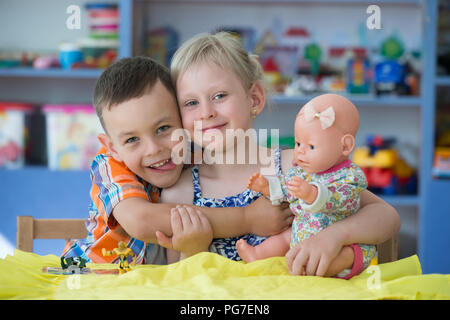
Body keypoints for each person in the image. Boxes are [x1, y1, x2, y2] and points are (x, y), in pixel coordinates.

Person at [159, 32, 400, 276]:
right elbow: (175, 285)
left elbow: (386, 216)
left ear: (254, 99)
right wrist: (191, 251)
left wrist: (334, 236)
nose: (206, 113)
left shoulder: (295, 166)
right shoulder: (180, 193)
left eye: (219, 96)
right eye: (191, 103)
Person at [61, 56, 294, 265]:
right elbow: (141, 221)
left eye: (163, 128)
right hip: (93, 274)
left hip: (154, 281)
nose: (154, 149)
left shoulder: (194, 155)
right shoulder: (109, 164)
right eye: (132, 139)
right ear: (114, 147)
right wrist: (248, 218)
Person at [237, 93, 376, 279]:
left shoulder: (350, 176)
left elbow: (341, 199)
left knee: (345, 255)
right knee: (283, 238)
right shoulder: (300, 172)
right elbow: (288, 191)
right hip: (301, 232)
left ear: (345, 146)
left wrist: (313, 194)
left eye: (310, 146)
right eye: (298, 143)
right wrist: (268, 188)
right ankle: (257, 254)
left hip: (337, 243)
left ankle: (320, 269)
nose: (300, 151)